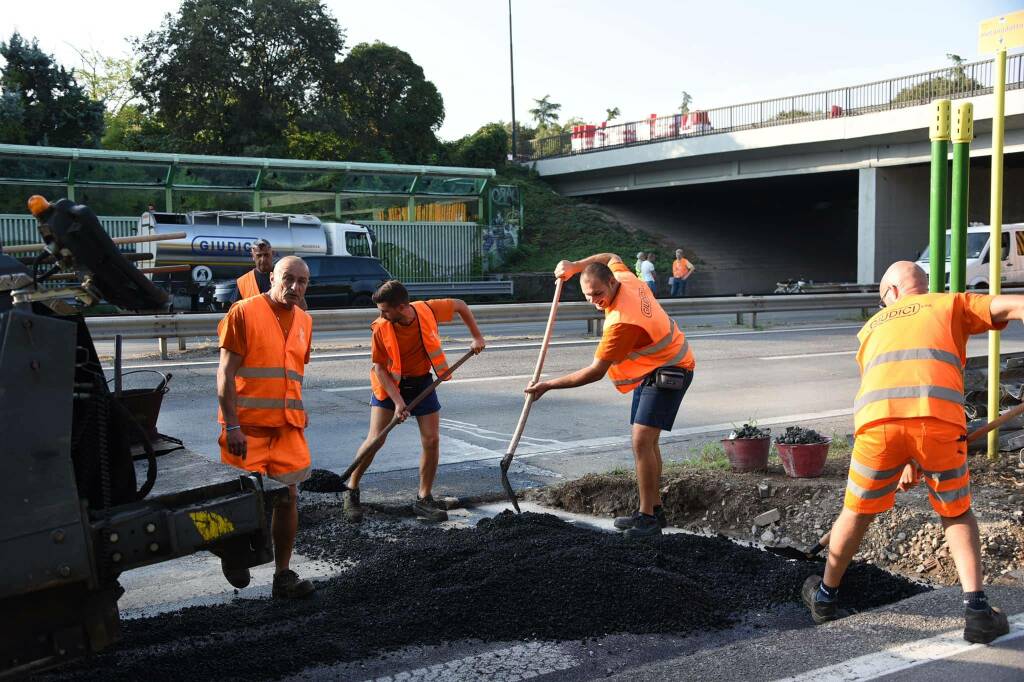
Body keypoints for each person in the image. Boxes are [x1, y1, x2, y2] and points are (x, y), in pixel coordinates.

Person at [802, 260, 1023, 644]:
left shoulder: (871, 328)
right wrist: (917, 454)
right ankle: (977, 611)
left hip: (877, 430)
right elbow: (1015, 305)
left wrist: (904, 457)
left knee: (855, 511)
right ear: (920, 284)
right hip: (938, 426)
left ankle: (824, 598)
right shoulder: (949, 303)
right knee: (956, 512)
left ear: (890, 293)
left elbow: (889, 387)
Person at [525, 253, 695, 538]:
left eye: (598, 294)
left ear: (611, 282)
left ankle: (648, 519)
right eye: (588, 296)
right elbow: (611, 256)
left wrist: (548, 385)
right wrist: (574, 267)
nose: (594, 301)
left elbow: (594, 372)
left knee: (642, 440)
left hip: (672, 368)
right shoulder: (625, 277)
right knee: (646, 441)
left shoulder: (621, 322)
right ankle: (654, 508)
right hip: (653, 368)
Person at [343, 280, 486, 523]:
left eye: (385, 310)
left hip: (422, 383)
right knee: (376, 439)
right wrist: (398, 402)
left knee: (431, 440)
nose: (381, 315)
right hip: (390, 386)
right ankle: (351, 490)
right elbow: (379, 368)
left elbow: (460, 305)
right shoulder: (381, 328)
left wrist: (477, 337)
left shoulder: (427, 310)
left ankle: (423, 499)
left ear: (402, 306)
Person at [216, 255, 315, 599]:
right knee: (241, 502)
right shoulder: (243, 312)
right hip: (247, 429)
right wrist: (231, 426)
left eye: (302, 281)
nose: (295, 287)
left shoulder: (305, 320)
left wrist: (298, 407)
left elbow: (291, 371)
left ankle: (282, 575)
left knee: (288, 498)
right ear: (271, 276)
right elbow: (225, 374)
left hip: (287, 427)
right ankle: (231, 553)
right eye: (288, 278)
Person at [237, 239, 308, 310]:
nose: (263, 259)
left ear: (272, 254)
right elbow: (237, 310)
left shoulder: (285, 275)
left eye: (266, 255)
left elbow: (301, 308)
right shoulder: (243, 282)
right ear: (252, 256)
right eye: (259, 255)